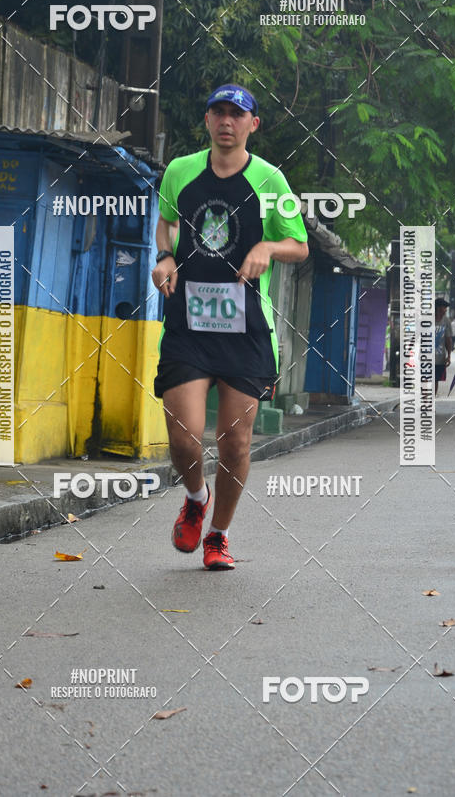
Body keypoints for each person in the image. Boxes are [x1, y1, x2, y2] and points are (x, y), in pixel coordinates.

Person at [151, 83, 309, 570]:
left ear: (252, 125)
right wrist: (164, 257)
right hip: (189, 325)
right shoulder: (180, 171)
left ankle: (218, 535)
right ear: (206, 121)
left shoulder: (270, 180)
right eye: (218, 112)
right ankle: (196, 498)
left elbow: (299, 245)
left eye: (236, 114)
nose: (226, 121)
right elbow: (167, 223)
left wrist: (267, 248)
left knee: (235, 441)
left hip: (245, 330)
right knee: (183, 435)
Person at [434, 298, 452, 396]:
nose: (446, 309)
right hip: (425, 357)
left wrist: (449, 355)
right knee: (424, 380)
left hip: (440, 358)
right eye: (444, 307)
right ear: (438, 308)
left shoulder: (446, 321)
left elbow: (448, 339)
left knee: (435, 380)